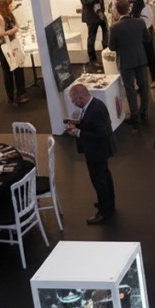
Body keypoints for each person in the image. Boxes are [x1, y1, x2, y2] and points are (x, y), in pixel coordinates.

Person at [64, 82, 116, 226]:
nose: (74, 103)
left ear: (81, 98)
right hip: (99, 150)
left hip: (97, 151)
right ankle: (108, 204)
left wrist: (78, 132)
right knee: (104, 176)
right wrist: (77, 125)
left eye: (74, 100)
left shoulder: (95, 110)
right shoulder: (94, 105)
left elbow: (102, 133)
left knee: (99, 180)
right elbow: (91, 125)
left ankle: (104, 212)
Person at [108, 0, 150, 126]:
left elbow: (112, 47)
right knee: (144, 87)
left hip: (126, 62)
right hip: (140, 59)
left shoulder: (114, 28)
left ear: (117, 11)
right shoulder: (140, 23)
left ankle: (135, 117)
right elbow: (147, 38)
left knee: (130, 89)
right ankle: (144, 113)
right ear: (129, 9)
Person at [0, 0, 28, 105]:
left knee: (19, 67)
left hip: (12, 44)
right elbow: (0, 33)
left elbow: (16, 24)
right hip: (3, 47)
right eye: (10, 4)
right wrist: (13, 31)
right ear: (5, 6)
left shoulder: (9, 15)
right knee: (8, 72)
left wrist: (15, 28)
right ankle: (11, 96)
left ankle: (21, 93)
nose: (12, 6)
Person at [78, 0, 111, 69]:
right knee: (92, 37)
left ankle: (106, 54)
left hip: (100, 13)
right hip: (91, 16)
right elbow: (85, 2)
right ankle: (93, 60)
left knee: (106, 33)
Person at [131, 0, 155, 82]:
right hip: (148, 33)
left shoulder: (137, 15)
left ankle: (142, 81)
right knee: (150, 57)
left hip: (140, 37)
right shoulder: (148, 9)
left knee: (141, 60)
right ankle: (153, 80)